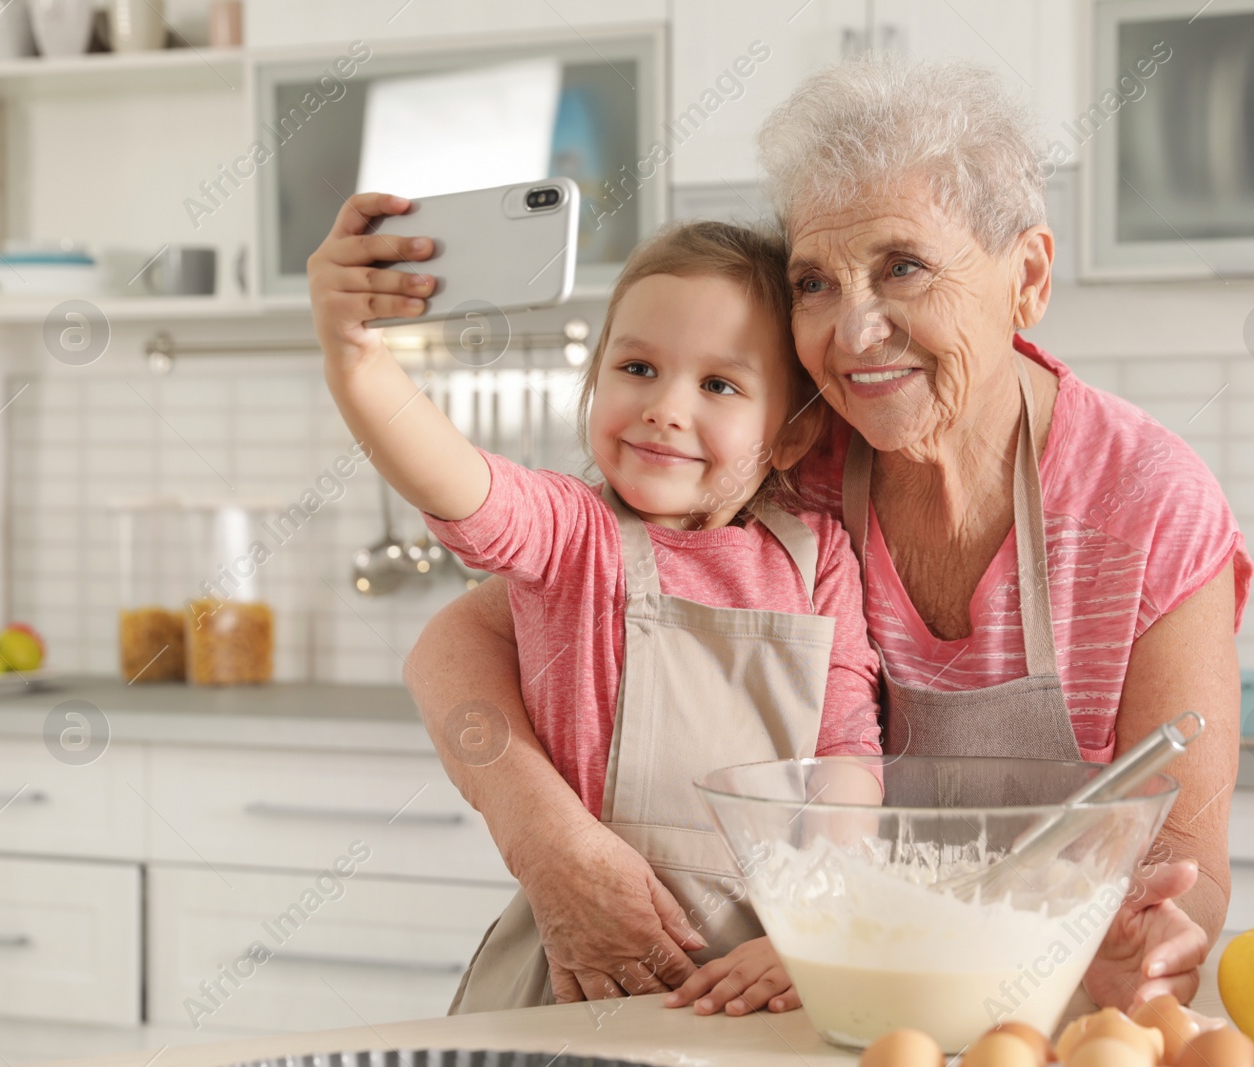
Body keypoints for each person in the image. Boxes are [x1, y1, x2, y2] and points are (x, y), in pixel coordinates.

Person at [406, 54, 1253, 1021]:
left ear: (1027, 276)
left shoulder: (1147, 508)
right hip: (803, 1011)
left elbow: (1189, 871)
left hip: (1038, 1016)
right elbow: (460, 642)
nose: (852, 335)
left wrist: (1160, 934)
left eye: (902, 267)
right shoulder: (787, 456)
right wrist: (548, 841)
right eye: (815, 282)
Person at [308, 210, 883, 1014]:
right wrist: (355, 357)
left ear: (789, 437)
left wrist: (820, 920)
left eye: (719, 384)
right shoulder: (573, 535)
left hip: (757, 982)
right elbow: (456, 481)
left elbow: (846, 756)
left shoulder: (818, 560)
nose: (666, 408)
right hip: (575, 982)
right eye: (638, 367)